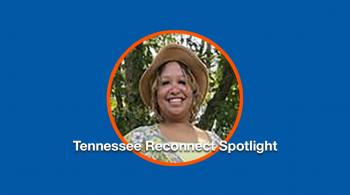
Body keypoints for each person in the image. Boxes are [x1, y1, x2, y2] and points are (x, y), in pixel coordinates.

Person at [125, 44, 222, 163]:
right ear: (156, 94)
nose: (175, 90)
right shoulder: (137, 140)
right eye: (165, 83)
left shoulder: (215, 142)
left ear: (194, 91)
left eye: (182, 82)